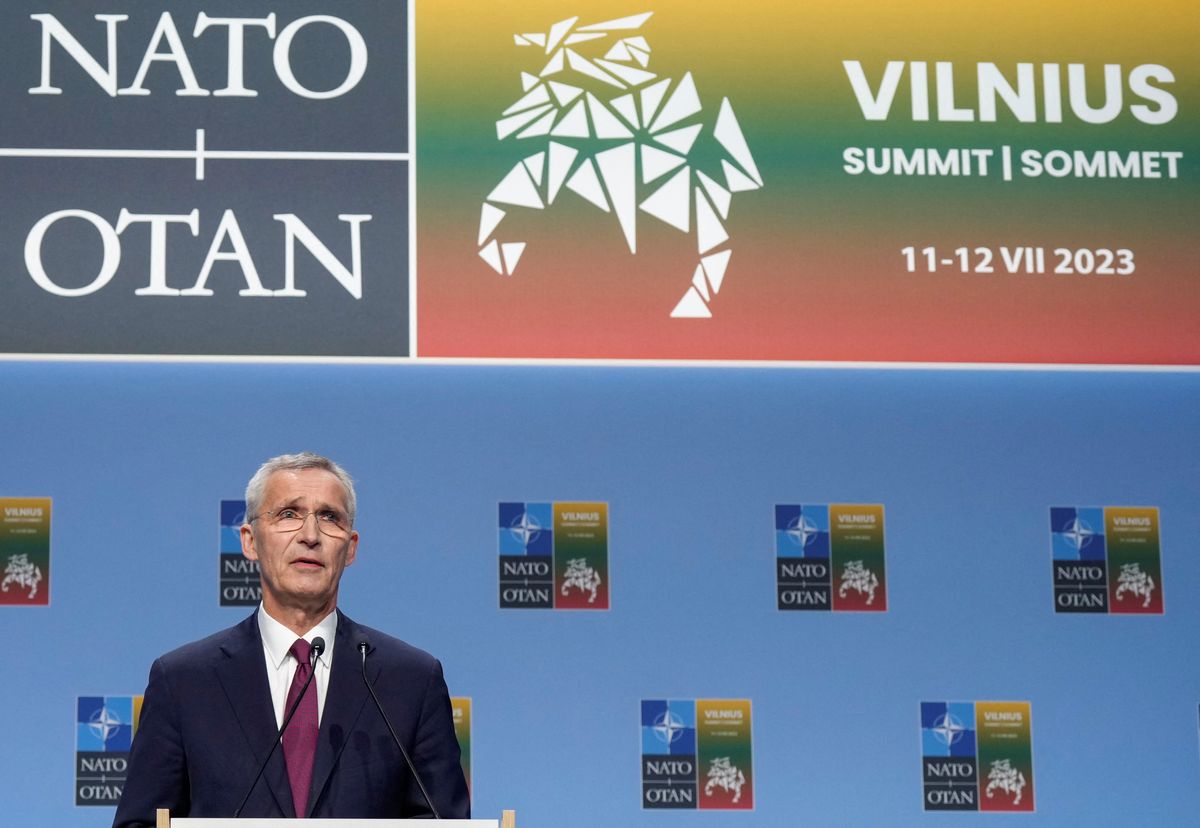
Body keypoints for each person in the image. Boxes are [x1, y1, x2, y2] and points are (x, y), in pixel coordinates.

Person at [113, 453, 469, 826]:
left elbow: (444, 821)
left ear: (350, 548)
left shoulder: (410, 681)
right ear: (250, 542)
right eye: (288, 514)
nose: (310, 535)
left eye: (329, 517)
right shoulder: (183, 681)